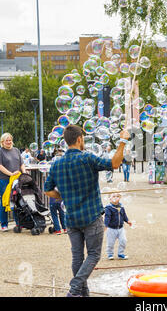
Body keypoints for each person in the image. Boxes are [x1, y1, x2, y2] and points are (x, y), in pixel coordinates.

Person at [44, 124, 129, 297]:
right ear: (79, 139)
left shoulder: (57, 164)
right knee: (93, 255)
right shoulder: (87, 158)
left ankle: (83, 293)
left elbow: (47, 190)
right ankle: (75, 287)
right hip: (91, 217)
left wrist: (62, 196)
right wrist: (122, 141)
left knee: (77, 257)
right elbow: (114, 163)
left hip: (72, 219)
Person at [0, 133, 25, 231]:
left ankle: (18, 223)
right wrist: (10, 174)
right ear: (2, 142)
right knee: (5, 201)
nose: (8, 142)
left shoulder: (16, 150)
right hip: (4, 179)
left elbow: (22, 164)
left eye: (10, 140)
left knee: (16, 200)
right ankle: (4, 224)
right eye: (6, 140)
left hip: (16, 179)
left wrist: (24, 173)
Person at [104, 192, 132, 260]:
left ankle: (120, 253)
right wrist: (105, 225)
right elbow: (107, 217)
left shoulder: (121, 207)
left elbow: (124, 215)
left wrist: (127, 221)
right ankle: (110, 254)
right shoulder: (108, 208)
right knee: (110, 243)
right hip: (111, 229)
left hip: (120, 228)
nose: (116, 197)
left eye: (117, 196)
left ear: (120, 198)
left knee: (123, 240)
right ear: (110, 199)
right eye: (113, 196)